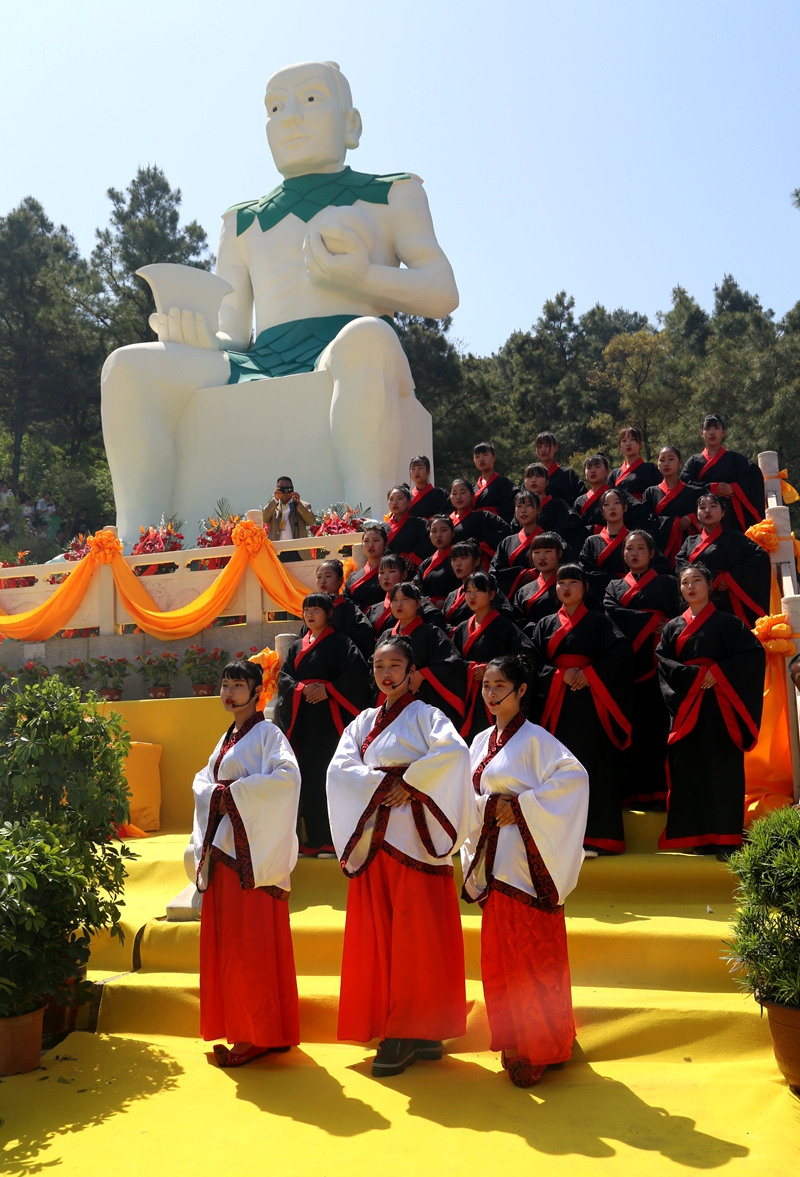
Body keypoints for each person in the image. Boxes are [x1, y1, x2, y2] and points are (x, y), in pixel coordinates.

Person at [101, 60, 459, 539]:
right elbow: (234, 333)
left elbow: (441, 292)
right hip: (261, 358)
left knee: (370, 336)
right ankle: (139, 544)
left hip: (346, 346)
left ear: (351, 125)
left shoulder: (392, 194)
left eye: (311, 99)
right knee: (127, 367)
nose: (290, 117)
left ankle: (362, 523)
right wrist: (199, 336)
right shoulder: (242, 221)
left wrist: (364, 276)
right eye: (275, 106)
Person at [327, 634, 476, 1077]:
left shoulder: (429, 717)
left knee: (417, 939)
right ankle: (402, 1028)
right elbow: (339, 767)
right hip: (376, 838)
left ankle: (414, 1029)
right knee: (383, 937)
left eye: (395, 666)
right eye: (379, 667)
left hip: (415, 837)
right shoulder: (363, 721)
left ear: (412, 672)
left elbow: (454, 754)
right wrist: (380, 786)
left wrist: (406, 784)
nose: (386, 674)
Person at [461, 653, 588, 1088]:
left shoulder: (537, 740)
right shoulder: (479, 742)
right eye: (486, 686)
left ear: (520, 691)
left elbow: (574, 779)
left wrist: (518, 806)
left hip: (528, 863)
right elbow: (466, 796)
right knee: (503, 957)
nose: (491, 695)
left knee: (535, 956)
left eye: (500, 687)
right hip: (496, 859)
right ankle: (517, 1037)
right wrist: (486, 807)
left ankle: (546, 1046)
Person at [192, 657, 301, 1067]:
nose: (229, 692)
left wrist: (231, 794)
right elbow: (203, 783)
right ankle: (254, 1030)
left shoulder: (268, 734)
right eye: (225, 684)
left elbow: (288, 779)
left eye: (238, 685)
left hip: (250, 862)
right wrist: (217, 794)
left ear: (259, 692)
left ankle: (257, 1033)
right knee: (232, 946)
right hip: (226, 856)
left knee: (250, 945)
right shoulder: (226, 740)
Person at [656, 564, 765, 856]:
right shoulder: (672, 628)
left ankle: (726, 839)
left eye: (696, 581)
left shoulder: (730, 624)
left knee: (722, 770)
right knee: (689, 770)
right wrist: (695, 677)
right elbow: (664, 665)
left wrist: (718, 672)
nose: (690, 587)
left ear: (710, 584)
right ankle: (698, 837)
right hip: (688, 707)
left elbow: (753, 656)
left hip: (721, 707)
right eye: (685, 583)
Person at [529, 564, 633, 856]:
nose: (565, 587)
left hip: (592, 704)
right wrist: (562, 675)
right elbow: (533, 664)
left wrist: (590, 674)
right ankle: (557, 838)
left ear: (585, 587)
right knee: (557, 769)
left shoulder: (600, 622)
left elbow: (620, 653)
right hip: (556, 705)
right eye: (561, 582)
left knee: (593, 767)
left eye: (573, 582)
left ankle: (598, 837)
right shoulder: (544, 625)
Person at [277, 593, 370, 857]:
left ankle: (333, 840)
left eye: (316, 609)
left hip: (331, 720)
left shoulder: (342, 642)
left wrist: (329, 690)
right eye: (306, 609)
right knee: (309, 778)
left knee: (330, 775)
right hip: (304, 718)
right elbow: (284, 679)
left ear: (329, 613)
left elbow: (356, 674)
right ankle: (315, 839)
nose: (310, 614)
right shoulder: (296, 647)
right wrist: (301, 689)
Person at [603, 531, 683, 808]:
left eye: (640, 548)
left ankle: (659, 794)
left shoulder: (668, 583)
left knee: (657, 727)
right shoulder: (613, 586)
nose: (634, 553)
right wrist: (653, 621)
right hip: (625, 667)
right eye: (629, 548)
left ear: (652, 553)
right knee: (629, 726)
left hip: (659, 664)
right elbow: (612, 615)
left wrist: (669, 623)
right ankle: (629, 792)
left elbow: (682, 615)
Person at [452, 572, 534, 743]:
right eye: (468, 591)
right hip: (468, 695)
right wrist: (470, 669)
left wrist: (490, 670)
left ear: (491, 594)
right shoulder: (461, 629)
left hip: (494, 693)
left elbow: (525, 654)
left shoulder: (504, 625)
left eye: (478, 590)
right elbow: (452, 661)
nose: (472, 595)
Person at [675, 494, 771, 628]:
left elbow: (760, 557)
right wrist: (711, 578)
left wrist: (731, 577)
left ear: (723, 513)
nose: (707, 510)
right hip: (699, 598)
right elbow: (680, 564)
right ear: (697, 514)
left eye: (713, 506)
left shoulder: (735, 538)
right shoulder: (690, 541)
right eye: (702, 508)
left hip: (728, 597)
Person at [387, 582, 466, 728]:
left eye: (405, 599)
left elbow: (451, 662)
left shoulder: (431, 632)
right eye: (395, 600)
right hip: (393, 700)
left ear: (418, 603)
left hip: (426, 700)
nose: (399, 604)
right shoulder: (387, 636)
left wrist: (422, 675)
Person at [680, 414, 765, 533]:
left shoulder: (735, 458)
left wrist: (733, 488)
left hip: (732, 514)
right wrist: (711, 488)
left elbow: (755, 477)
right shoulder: (694, 462)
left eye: (716, 428)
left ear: (723, 432)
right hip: (705, 515)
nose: (712, 432)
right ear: (701, 433)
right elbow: (684, 486)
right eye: (707, 429)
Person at [298, 559, 375, 660]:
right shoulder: (311, 613)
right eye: (319, 577)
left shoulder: (349, 610)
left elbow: (364, 637)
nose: (323, 581)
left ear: (340, 580)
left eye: (328, 576)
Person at [642, 445, 702, 568]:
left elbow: (705, 515)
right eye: (662, 460)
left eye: (671, 459)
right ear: (658, 464)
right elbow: (647, 521)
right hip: (660, 548)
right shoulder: (650, 493)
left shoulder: (694, 492)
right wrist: (675, 523)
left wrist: (692, 518)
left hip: (688, 546)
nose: (666, 463)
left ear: (680, 463)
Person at [442, 541, 520, 631]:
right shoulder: (452, 595)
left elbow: (504, 616)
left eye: (463, 558)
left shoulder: (487, 588)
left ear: (477, 561)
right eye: (454, 559)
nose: (458, 563)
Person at [367, 553, 446, 635]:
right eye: (382, 572)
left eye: (391, 571)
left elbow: (436, 630)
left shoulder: (419, 603)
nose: (386, 577)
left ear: (404, 575)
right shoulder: (374, 610)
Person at [490, 491, 544, 599]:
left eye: (528, 505)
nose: (523, 510)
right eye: (519, 506)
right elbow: (494, 571)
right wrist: (518, 576)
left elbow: (562, 563)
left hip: (542, 596)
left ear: (538, 510)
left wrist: (537, 572)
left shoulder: (550, 539)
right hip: (513, 598)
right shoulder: (507, 542)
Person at [520, 463, 585, 551]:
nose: (533, 480)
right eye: (529, 477)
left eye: (538, 476)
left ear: (547, 481)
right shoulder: (520, 509)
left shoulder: (557, 505)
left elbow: (575, 529)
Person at [449, 477, 510, 569]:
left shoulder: (483, 517)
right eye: (454, 493)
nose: (458, 497)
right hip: (451, 566)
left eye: (462, 492)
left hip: (477, 566)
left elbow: (505, 529)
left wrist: (483, 547)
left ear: (472, 495)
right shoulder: (447, 521)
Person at [516, 533, 565, 627]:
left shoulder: (569, 585)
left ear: (559, 553)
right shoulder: (523, 591)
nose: (542, 557)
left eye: (548, 551)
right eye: (537, 552)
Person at [263, 476, 316, 562]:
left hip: (297, 551)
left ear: (292, 488)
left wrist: (298, 504)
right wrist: (275, 500)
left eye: (287, 486)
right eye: (281, 487)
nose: (285, 489)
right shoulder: (273, 506)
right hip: (277, 552)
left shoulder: (303, 505)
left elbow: (311, 521)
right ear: (276, 489)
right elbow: (264, 518)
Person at [414, 514, 460, 607]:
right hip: (428, 608)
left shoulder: (460, 558)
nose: (438, 535)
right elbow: (416, 587)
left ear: (453, 533)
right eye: (434, 531)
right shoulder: (426, 563)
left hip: (453, 607)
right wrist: (432, 602)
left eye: (443, 530)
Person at [385, 484, 432, 571]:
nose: (395, 502)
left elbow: (431, 540)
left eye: (399, 498)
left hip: (410, 570)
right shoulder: (382, 528)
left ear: (409, 502)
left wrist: (415, 555)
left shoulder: (420, 523)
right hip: (387, 571)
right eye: (391, 499)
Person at [343, 524, 389, 610]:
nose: (370, 545)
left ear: (385, 545)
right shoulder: (353, 576)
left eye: (376, 540)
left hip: (383, 618)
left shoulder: (392, 573)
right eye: (366, 541)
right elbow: (346, 600)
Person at [534, 432, 585, 506]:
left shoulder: (568, 475)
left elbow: (580, 498)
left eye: (547, 446)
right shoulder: (531, 477)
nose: (543, 449)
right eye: (539, 446)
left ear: (555, 447)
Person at [609, 427, 660, 501]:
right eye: (624, 441)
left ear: (640, 444)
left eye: (632, 440)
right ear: (620, 446)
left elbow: (657, 494)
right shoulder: (614, 474)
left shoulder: (650, 468)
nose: (628, 444)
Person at [472, 442, 516, 523]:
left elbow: (510, 509)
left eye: (485, 455)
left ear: (494, 457)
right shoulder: (472, 488)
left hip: (496, 524)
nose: (481, 459)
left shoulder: (505, 484)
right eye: (477, 457)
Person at [408, 454, 452, 519]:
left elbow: (451, 510)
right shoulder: (408, 496)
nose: (416, 472)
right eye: (413, 469)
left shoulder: (440, 494)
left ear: (428, 471)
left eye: (420, 468)